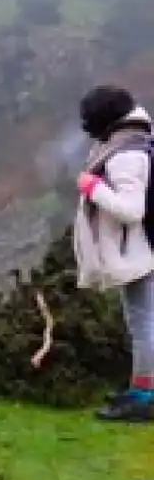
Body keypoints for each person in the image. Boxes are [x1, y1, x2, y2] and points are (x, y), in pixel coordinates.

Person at [74, 85, 154, 423]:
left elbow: (132, 210)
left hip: (138, 251)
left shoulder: (126, 155)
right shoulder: (133, 142)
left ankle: (145, 398)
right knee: (141, 321)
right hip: (137, 248)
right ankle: (140, 389)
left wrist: (93, 188)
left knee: (144, 324)